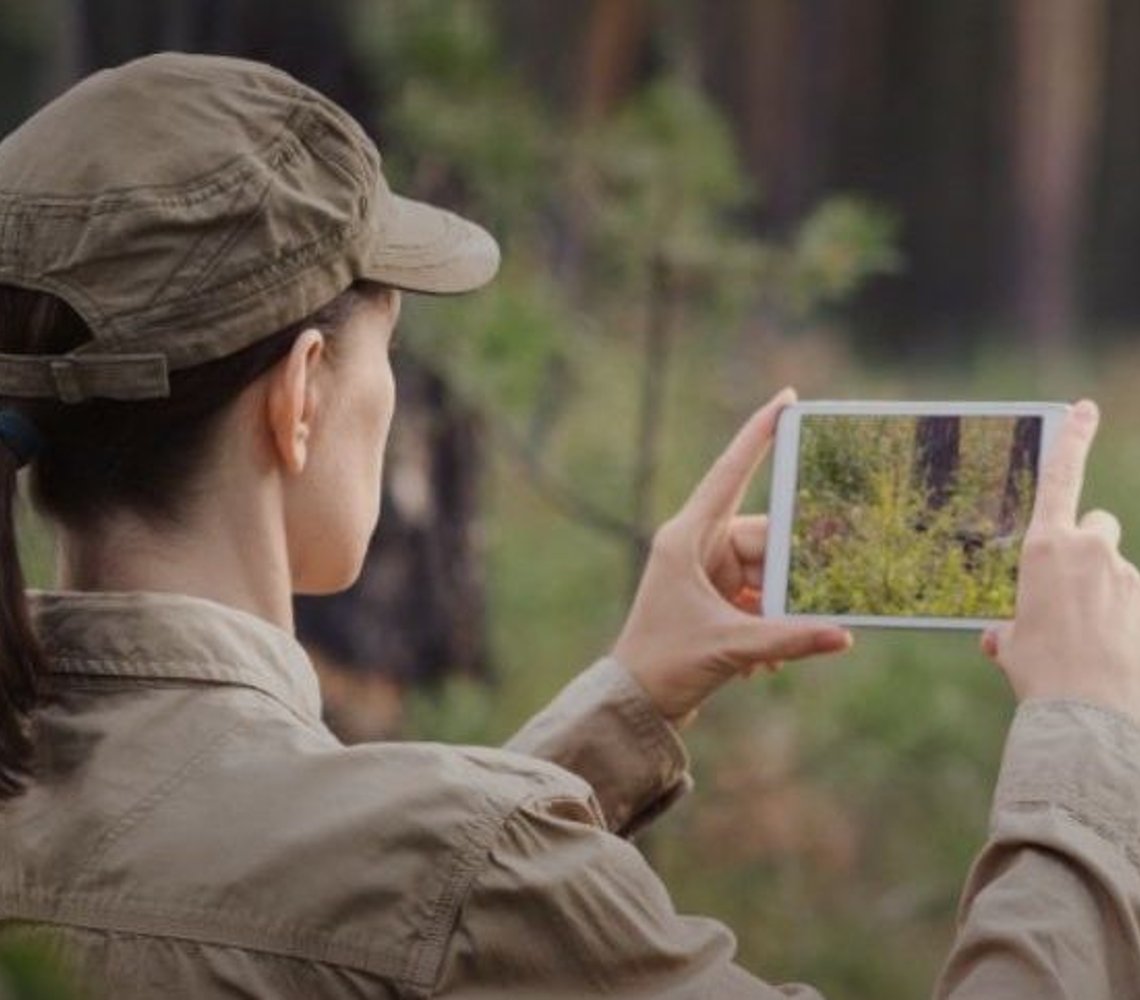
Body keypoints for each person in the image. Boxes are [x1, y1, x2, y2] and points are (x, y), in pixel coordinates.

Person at [0, 52, 1137, 1000]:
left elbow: (346, 898)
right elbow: (407, 894)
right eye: (388, 350)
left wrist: (629, 699)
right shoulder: (465, 872)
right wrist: (1085, 726)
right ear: (299, 399)